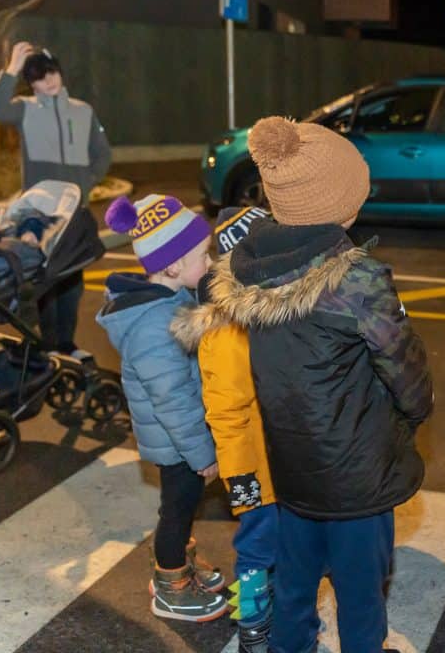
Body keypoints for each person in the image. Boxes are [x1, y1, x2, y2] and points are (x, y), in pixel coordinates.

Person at [190, 116, 433, 653]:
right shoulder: (357, 279)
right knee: (361, 589)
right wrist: (414, 411)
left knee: (295, 581)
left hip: (289, 465)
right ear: (341, 201)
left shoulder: (248, 269)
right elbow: (401, 364)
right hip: (357, 472)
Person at [95, 193, 228, 623]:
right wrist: (203, 453)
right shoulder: (154, 324)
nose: (208, 263)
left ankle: (178, 563)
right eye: (202, 256)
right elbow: (172, 399)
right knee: (177, 509)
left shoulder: (168, 301)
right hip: (177, 442)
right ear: (172, 267)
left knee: (181, 505)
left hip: (180, 438)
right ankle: (171, 584)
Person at [171, 204, 276, 652]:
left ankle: (268, 612)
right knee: (259, 545)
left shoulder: (258, 311)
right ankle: (253, 621)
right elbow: (229, 410)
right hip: (252, 465)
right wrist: (241, 476)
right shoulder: (229, 328)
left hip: (269, 461)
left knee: (273, 543)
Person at [0, 42, 112, 357]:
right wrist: (11, 69)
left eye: (52, 73)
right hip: (41, 214)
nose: (49, 80)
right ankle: (49, 345)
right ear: (31, 83)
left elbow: (102, 154)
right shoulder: (25, 108)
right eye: (39, 77)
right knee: (45, 281)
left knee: (72, 281)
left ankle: (67, 344)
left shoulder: (83, 110)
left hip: (75, 211)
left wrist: (85, 184)